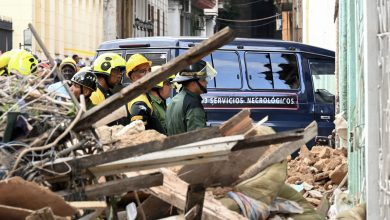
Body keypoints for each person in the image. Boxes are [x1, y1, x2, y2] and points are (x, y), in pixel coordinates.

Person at [166, 60, 216, 135]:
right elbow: (197, 137)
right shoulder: (193, 103)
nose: (206, 82)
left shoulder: (175, 99)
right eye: (203, 80)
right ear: (192, 83)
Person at [147, 65, 175, 134]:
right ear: (157, 86)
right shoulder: (151, 105)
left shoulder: (161, 103)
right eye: (168, 84)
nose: (171, 87)